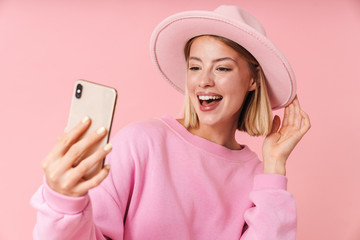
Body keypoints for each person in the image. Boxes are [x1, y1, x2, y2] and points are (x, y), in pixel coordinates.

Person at [31, 5, 310, 240]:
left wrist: (275, 167)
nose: (204, 81)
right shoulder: (142, 142)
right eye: (195, 66)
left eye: (222, 67)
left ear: (252, 79)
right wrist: (63, 201)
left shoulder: (259, 177)